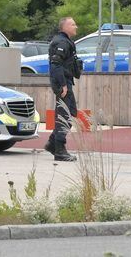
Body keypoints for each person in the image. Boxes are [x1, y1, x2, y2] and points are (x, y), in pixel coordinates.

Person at [44, 17, 82, 162]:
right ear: (64, 27)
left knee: (69, 113)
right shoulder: (62, 42)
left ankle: (52, 144)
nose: (75, 26)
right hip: (63, 83)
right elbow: (56, 64)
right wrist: (63, 85)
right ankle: (59, 150)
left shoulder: (65, 41)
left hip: (66, 81)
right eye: (72, 24)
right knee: (64, 116)